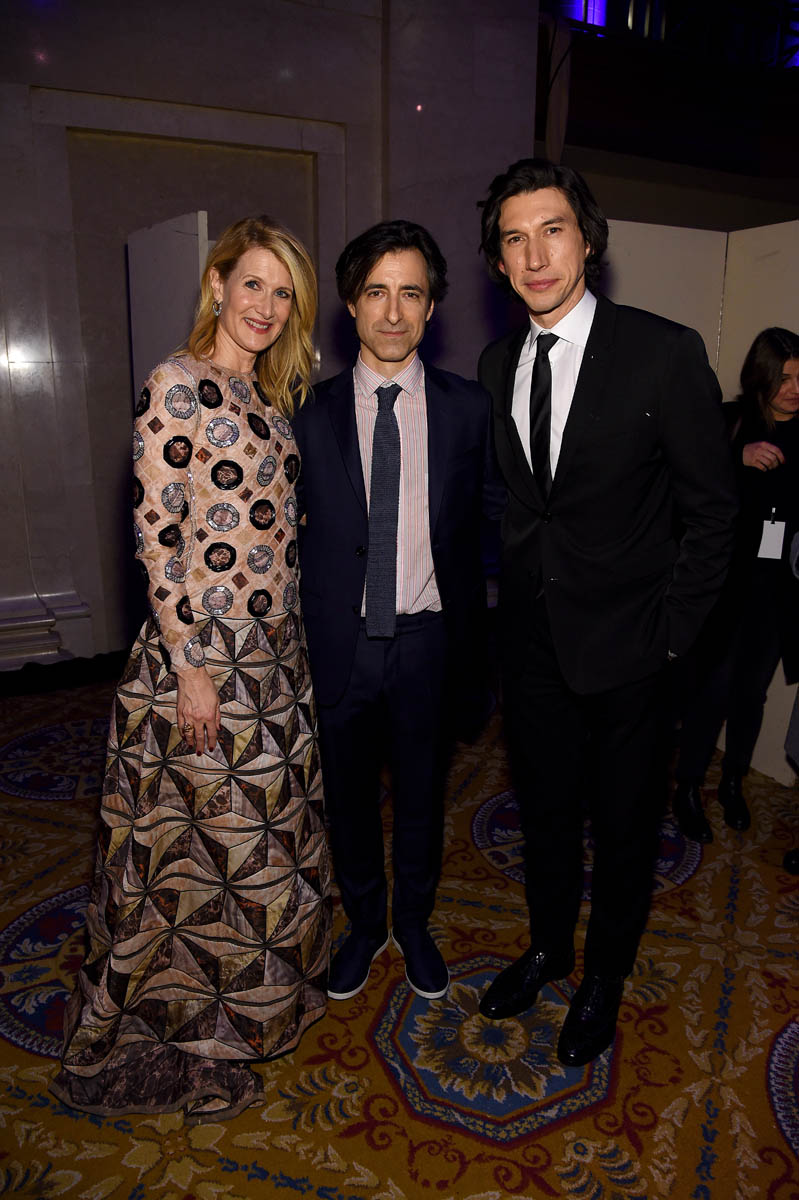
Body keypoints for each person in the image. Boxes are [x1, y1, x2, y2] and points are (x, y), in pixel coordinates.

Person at [52, 216, 331, 1123]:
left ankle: (241, 1018)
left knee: (257, 852)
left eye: (283, 293)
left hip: (275, 659)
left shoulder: (265, 395)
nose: (266, 306)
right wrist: (190, 668)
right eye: (252, 284)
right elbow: (157, 533)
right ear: (217, 284)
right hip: (204, 658)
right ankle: (184, 1033)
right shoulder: (177, 384)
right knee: (207, 859)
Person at [475, 158, 737, 1067]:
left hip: (634, 651)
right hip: (532, 650)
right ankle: (549, 949)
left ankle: (604, 977)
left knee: (624, 830)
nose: (534, 255)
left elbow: (714, 514)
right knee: (545, 816)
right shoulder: (496, 362)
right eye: (514, 239)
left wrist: (672, 637)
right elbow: (522, 506)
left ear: (587, 240)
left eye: (551, 230)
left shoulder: (662, 351)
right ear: (498, 261)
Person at [292, 220, 503, 1004]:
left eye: (409, 293)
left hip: (428, 641)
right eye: (375, 292)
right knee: (347, 803)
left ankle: (412, 924)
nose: (392, 311)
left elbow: (493, 521)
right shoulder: (303, 413)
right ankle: (363, 924)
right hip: (339, 642)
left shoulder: (467, 409)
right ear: (350, 303)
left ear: (431, 307)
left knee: (421, 799)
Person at [673, 328, 799, 842]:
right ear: (761, 376)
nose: (794, 389)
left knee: (751, 696)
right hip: (724, 589)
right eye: (784, 378)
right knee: (713, 689)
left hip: (779, 592)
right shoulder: (729, 422)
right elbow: (681, 484)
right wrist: (736, 460)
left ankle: (732, 782)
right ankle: (686, 787)